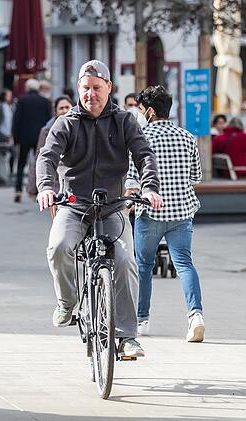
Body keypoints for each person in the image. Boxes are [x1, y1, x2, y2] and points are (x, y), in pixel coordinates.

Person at [36, 60, 162, 358]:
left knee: (125, 261)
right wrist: (45, 186)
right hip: (74, 204)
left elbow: (144, 154)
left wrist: (150, 187)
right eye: (85, 88)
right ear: (78, 89)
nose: (90, 94)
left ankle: (127, 336)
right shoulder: (66, 123)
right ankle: (68, 302)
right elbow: (47, 156)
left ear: (109, 88)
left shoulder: (124, 121)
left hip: (113, 206)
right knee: (58, 247)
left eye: (96, 88)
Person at [126, 85, 205, 342]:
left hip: (149, 212)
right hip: (182, 211)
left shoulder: (141, 137)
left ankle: (142, 320)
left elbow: (132, 177)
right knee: (184, 263)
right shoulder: (186, 136)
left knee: (144, 266)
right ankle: (195, 316)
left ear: (149, 111)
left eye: (140, 110)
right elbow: (196, 176)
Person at [12, 79, 51, 203]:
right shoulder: (44, 102)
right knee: (39, 164)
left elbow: (16, 120)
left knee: (21, 164)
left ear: (27, 88)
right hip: (39, 137)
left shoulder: (22, 101)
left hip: (24, 137)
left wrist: (15, 137)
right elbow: (48, 120)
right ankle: (38, 191)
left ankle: (18, 190)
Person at [26, 95, 73, 198]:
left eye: (67, 107)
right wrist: (32, 187)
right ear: (55, 112)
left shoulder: (79, 128)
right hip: (56, 186)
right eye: (61, 108)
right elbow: (40, 157)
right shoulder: (47, 130)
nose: (65, 110)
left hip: (75, 186)